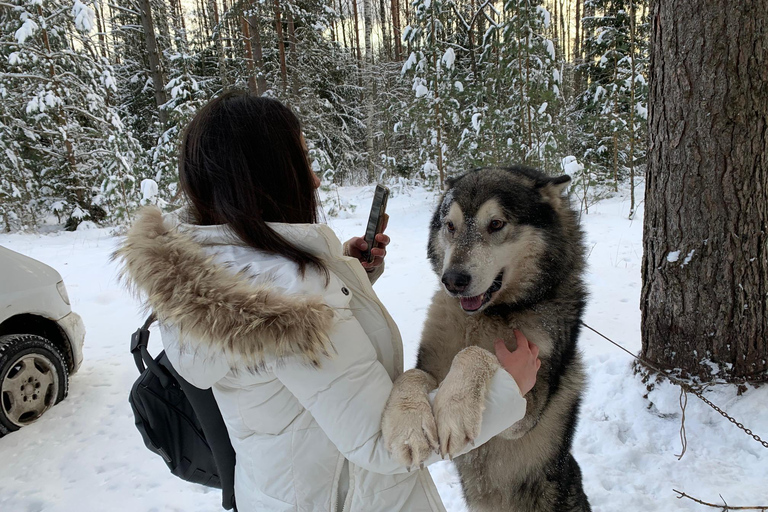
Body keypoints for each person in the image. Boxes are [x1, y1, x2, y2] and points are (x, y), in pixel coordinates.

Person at [116, 91, 540, 512]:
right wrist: (508, 387)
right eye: (303, 161)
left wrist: (347, 275)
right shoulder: (293, 302)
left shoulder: (207, 271)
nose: (314, 179)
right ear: (265, 175)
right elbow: (386, 443)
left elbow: (291, 378)